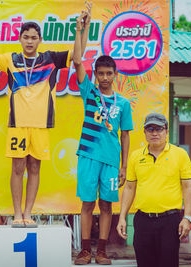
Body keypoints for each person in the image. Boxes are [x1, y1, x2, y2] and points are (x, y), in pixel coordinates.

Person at [0, 3, 91, 227]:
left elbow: (78, 58)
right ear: (20, 39)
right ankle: (17, 213)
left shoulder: (50, 58)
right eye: (25, 37)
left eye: (33, 37)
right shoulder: (10, 59)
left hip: (41, 125)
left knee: (34, 168)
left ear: (39, 39)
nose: (29, 41)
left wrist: (82, 29)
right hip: (17, 124)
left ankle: (28, 213)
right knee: (17, 168)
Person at [72, 4, 133, 265]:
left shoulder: (124, 103)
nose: (105, 77)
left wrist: (123, 166)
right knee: (87, 204)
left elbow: (126, 136)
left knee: (107, 206)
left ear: (115, 74)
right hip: (87, 156)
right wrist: (80, 29)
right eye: (101, 73)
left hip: (111, 161)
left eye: (109, 73)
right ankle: (85, 250)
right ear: (95, 75)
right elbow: (76, 60)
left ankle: (102, 251)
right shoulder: (90, 92)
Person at [116, 113, 191, 267]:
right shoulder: (136, 156)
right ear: (144, 132)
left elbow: (188, 186)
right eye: (150, 129)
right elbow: (130, 187)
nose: (154, 133)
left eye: (159, 129)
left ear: (166, 131)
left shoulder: (180, 155)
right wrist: (122, 217)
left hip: (170, 221)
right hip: (142, 220)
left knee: (168, 263)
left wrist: (187, 217)